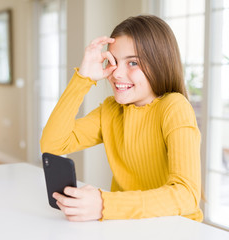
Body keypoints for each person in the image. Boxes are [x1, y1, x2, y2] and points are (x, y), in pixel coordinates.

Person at [40, 15, 203, 222]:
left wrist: (104, 205)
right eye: (113, 62)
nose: (116, 74)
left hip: (177, 227)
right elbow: (52, 144)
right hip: (128, 226)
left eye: (133, 63)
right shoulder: (111, 110)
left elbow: (187, 194)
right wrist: (83, 78)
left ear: (160, 64)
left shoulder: (174, 107)